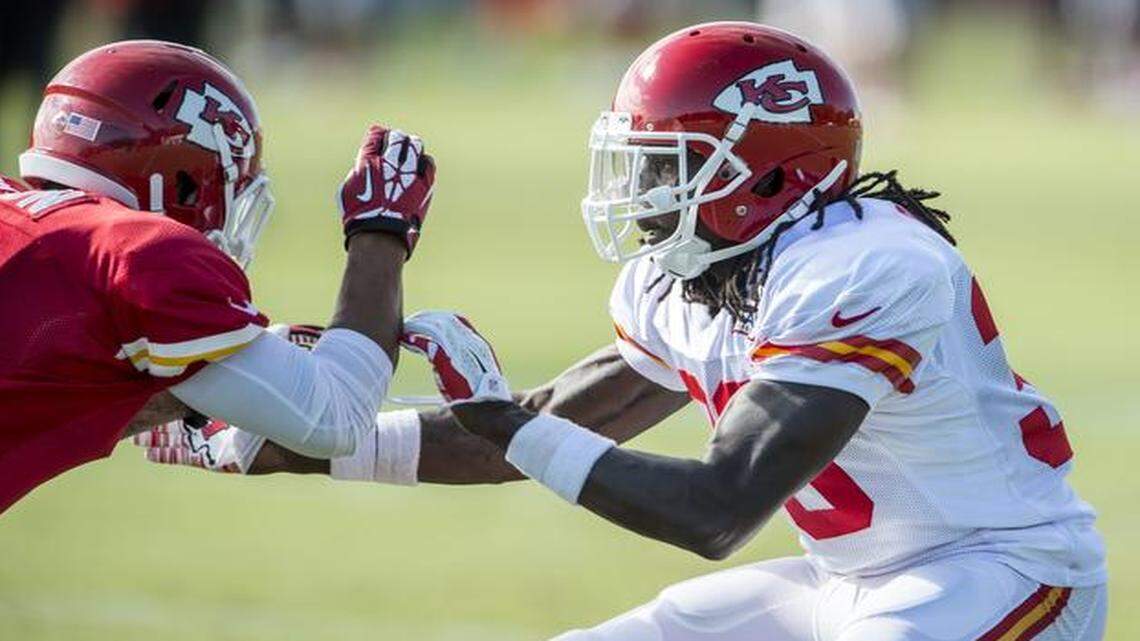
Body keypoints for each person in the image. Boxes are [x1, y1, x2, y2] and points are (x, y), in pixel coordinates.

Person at [141, 23, 1106, 640]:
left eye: (670, 163)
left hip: (1001, 576)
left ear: (776, 171)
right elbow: (522, 437)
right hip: (845, 582)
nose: (643, 193)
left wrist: (510, 423)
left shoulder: (867, 266)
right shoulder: (694, 272)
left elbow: (716, 507)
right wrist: (268, 444)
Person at [0, 40, 436, 514]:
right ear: (183, 177)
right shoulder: (137, 251)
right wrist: (381, 230)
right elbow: (337, 419)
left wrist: (204, 387)